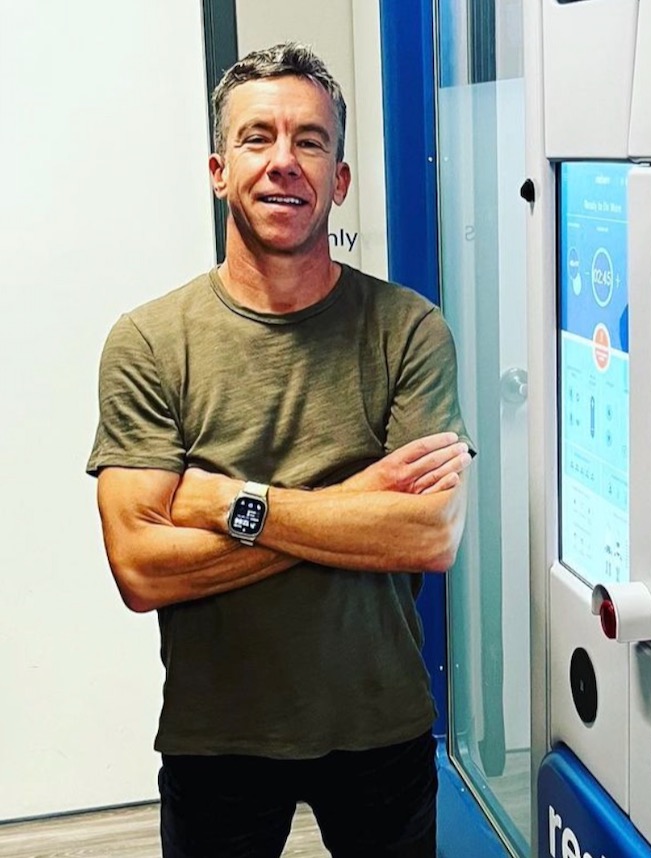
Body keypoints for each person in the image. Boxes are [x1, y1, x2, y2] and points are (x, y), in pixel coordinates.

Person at [87, 42, 472, 858]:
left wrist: (229, 502)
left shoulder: (408, 330)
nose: (284, 161)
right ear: (219, 170)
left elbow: (430, 534)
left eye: (310, 141)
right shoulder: (150, 343)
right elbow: (140, 569)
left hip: (380, 723)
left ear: (340, 179)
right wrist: (357, 502)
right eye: (257, 138)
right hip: (218, 733)